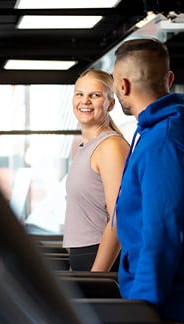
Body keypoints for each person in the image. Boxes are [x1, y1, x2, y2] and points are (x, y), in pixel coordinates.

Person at [111, 38, 184, 324]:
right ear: (169, 79)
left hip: (170, 306)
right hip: (172, 302)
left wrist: (141, 311)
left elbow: (162, 236)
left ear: (122, 85)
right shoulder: (171, 132)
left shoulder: (165, 141)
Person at [62, 69, 130, 272]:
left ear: (110, 103)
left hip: (101, 261)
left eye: (95, 95)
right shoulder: (88, 147)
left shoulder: (111, 147)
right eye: (79, 94)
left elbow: (119, 218)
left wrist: (97, 277)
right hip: (85, 258)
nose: (85, 101)